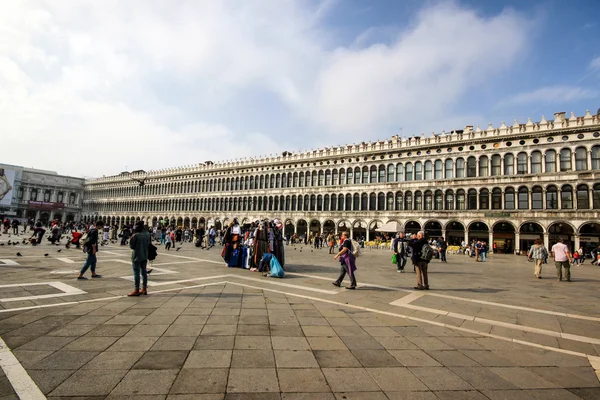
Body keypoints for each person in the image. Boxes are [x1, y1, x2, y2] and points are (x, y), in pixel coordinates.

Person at [128, 221, 151, 296]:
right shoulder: (147, 234)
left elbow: (131, 246)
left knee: (136, 272)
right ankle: (144, 288)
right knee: (144, 272)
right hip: (145, 255)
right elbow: (148, 244)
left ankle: (136, 289)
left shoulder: (136, 235)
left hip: (137, 256)